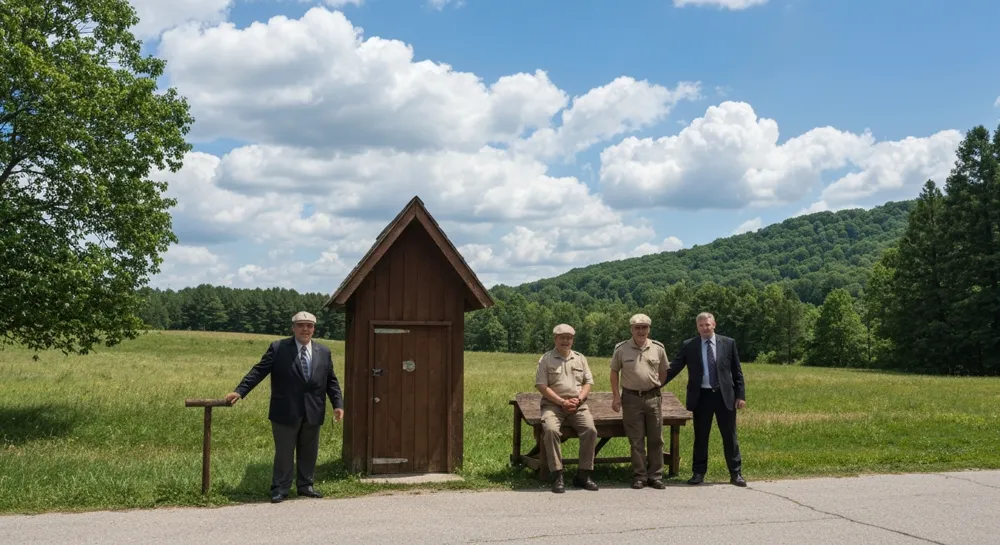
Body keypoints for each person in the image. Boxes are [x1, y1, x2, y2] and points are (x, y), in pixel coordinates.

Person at [225, 311, 345, 503]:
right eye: (301, 325)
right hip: (285, 410)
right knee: (284, 452)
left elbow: (331, 380)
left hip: (313, 410)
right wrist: (240, 391)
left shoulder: (324, 351)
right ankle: (280, 488)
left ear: (313, 329)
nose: (305, 329)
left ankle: (306, 486)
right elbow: (259, 370)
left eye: (309, 326)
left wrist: (338, 404)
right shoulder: (279, 348)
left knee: (309, 451)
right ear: (293, 328)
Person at [663, 312, 747, 487]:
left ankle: (735, 473)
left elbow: (736, 371)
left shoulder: (728, 343)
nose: (705, 328)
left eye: (707, 325)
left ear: (714, 324)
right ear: (697, 327)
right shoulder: (690, 345)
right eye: (701, 325)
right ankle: (698, 473)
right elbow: (674, 368)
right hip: (701, 396)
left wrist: (740, 395)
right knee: (701, 436)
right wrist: (656, 383)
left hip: (725, 396)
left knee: (729, 436)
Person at [534, 324, 599, 493]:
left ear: (572, 340)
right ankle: (557, 475)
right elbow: (541, 385)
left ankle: (583, 475)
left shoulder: (580, 358)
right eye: (562, 337)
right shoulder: (546, 359)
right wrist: (562, 402)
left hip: (578, 405)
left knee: (590, 430)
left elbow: (588, 382)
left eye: (569, 338)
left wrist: (578, 400)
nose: (565, 341)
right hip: (553, 405)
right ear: (555, 339)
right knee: (550, 431)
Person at [610, 313, 669, 490]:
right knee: (636, 440)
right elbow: (614, 373)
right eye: (637, 328)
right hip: (631, 398)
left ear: (649, 329)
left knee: (656, 439)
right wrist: (615, 396)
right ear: (632, 329)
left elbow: (664, 370)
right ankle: (640, 476)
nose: (641, 331)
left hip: (652, 398)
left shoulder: (658, 348)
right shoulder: (621, 348)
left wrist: (657, 385)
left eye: (644, 327)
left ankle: (656, 476)